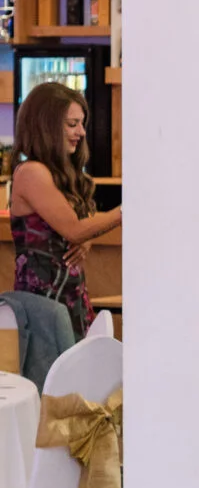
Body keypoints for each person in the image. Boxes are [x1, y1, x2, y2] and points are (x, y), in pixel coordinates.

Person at [9, 82, 123, 339]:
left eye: (81, 124)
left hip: (68, 298)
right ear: (45, 125)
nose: (81, 132)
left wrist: (88, 238)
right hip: (43, 304)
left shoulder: (60, 174)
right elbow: (73, 230)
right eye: (72, 124)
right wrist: (126, 211)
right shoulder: (31, 172)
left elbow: (76, 230)